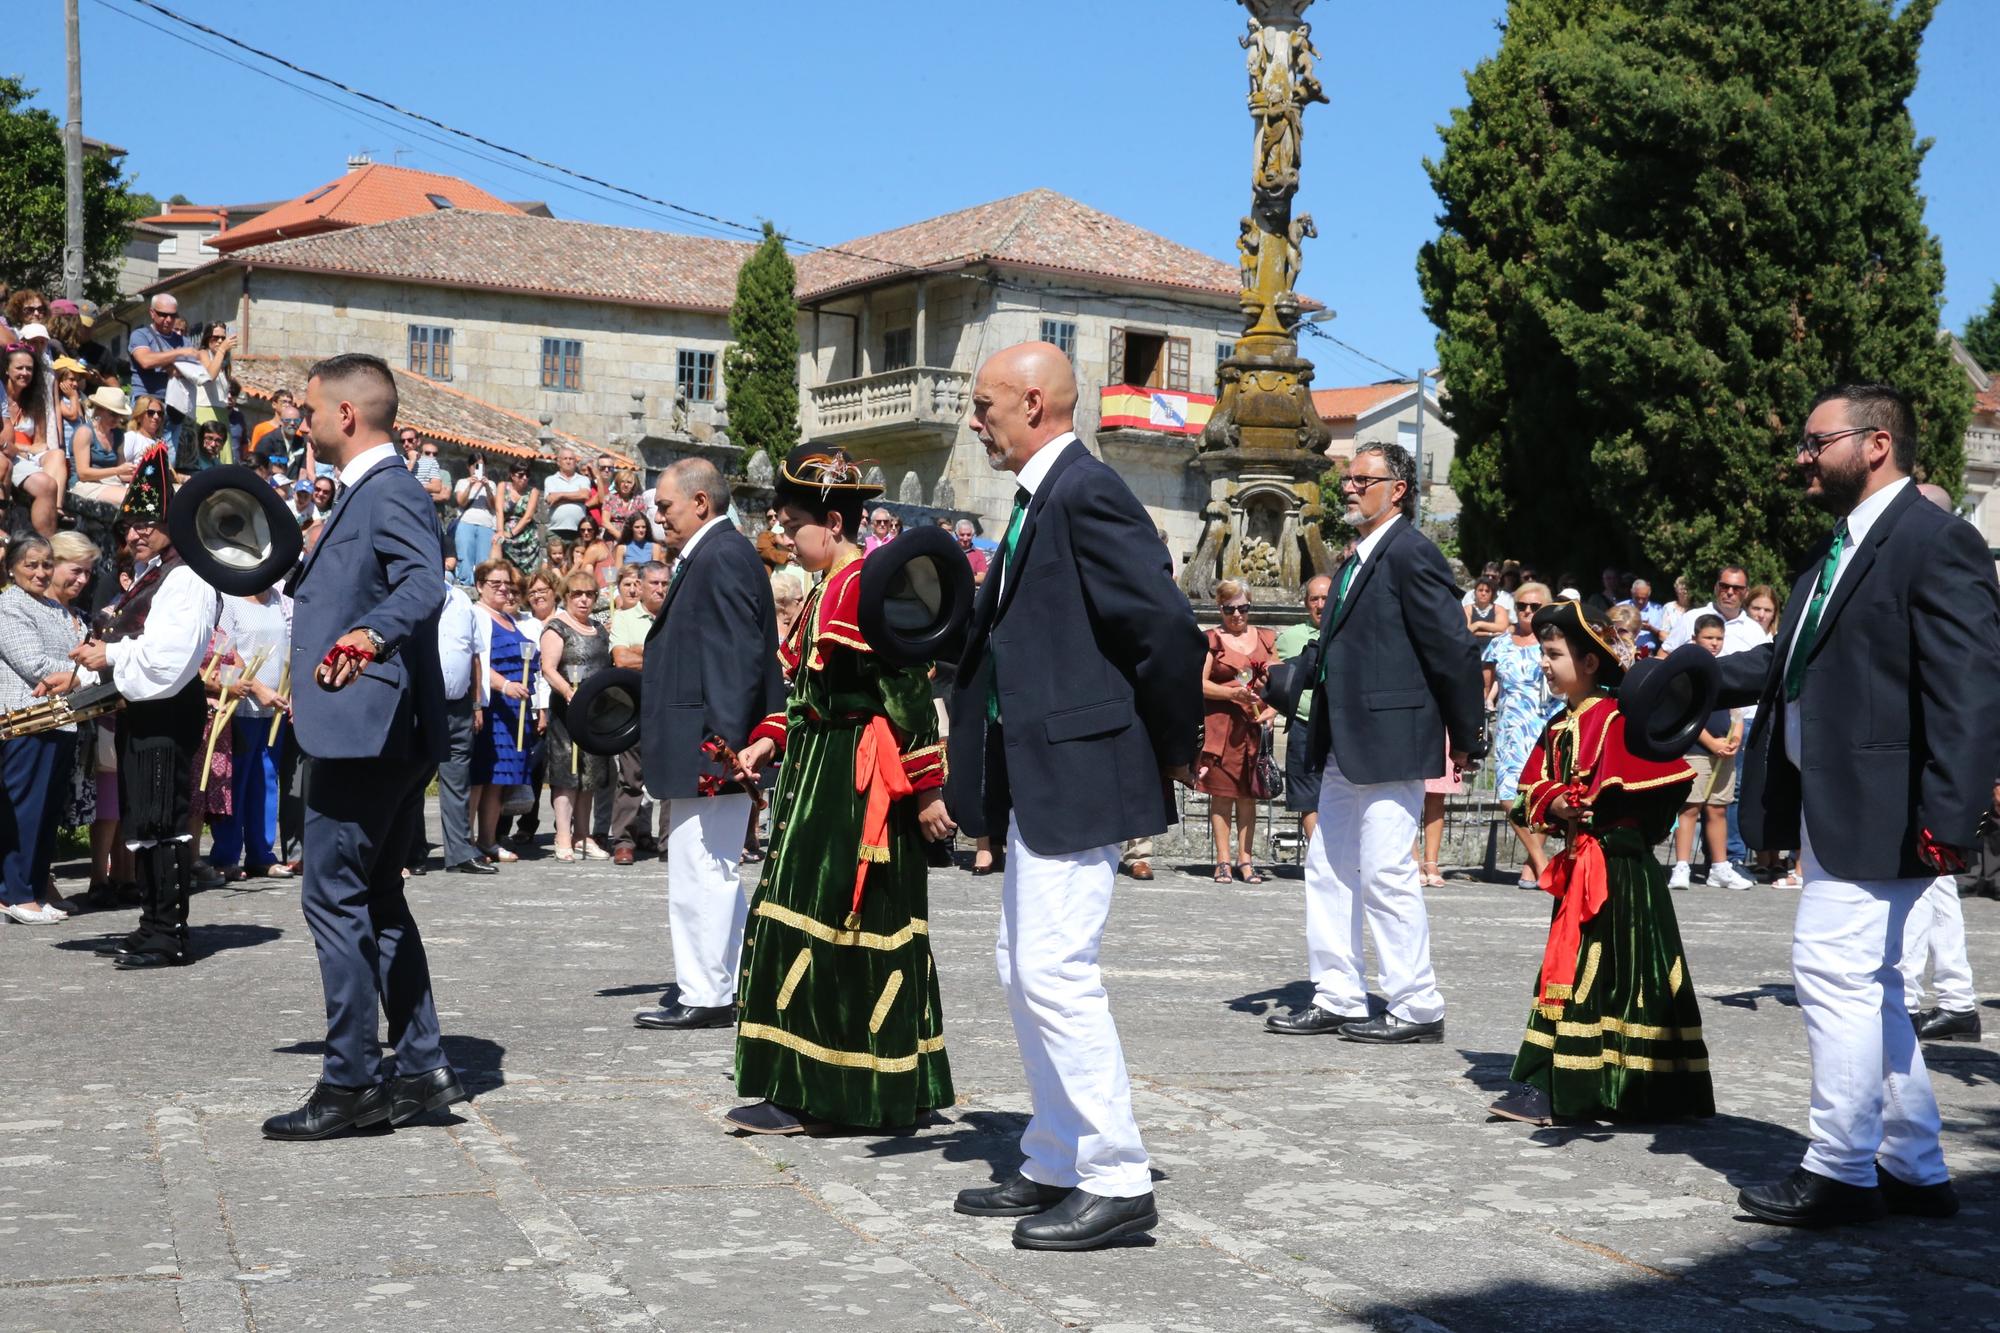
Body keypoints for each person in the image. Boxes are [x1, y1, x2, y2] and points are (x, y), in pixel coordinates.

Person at [939, 341, 1203, 1252]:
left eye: (987, 405)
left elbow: (1165, 625)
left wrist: (1171, 745)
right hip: (1039, 772)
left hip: (1086, 765)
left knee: (1055, 969)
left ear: (1038, 402)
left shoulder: (1087, 490)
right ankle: (1055, 1153)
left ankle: (1118, 1177)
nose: (978, 421)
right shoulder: (1036, 499)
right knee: (1023, 964)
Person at [1720, 383, 2000, 1229]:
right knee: (1870, 986)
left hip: (1884, 806)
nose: (1802, 457)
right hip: (1833, 798)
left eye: (1817, 442)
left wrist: (1951, 819)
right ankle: (1914, 1165)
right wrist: (1682, 678)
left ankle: (1841, 1167)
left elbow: (1968, 690)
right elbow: (1787, 663)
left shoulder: (1934, 540)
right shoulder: (1834, 550)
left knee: (1833, 975)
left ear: (1875, 444)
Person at [721, 446, 954, 1135]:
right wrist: (769, 736)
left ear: (831, 520)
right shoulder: (826, 583)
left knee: (835, 920)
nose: (784, 536)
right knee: (828, 919)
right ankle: (873, 1086)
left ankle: (814, 1092)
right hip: (818, 767)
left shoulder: (859, 585)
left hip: (855, 784)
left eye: (793, 524)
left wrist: (928, 787)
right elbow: (806, 691)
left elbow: (907, 689)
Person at [261, 353, 462, 1142]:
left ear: (346, 416)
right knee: (375, 898)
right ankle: (420, 1068)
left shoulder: (392, 491)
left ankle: (350, 1083)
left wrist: (368, 632)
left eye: (308, 411)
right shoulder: (364, 495)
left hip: (366, 730)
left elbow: (425, 584)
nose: (299, 423)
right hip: (365, 725)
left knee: (333, 897)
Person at [1265, 442, 1483, 1044]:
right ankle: (1338, 993)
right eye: (1349, 478)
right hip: (1342, 739)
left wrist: (1467, 734)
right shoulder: (1355, 558)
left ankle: (1417, 1004)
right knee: (1328, 867)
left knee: (1386, 872)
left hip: (1393, 737)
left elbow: (1454, 648)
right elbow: (1335, 642)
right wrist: (1289, 678)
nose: (1350, 488)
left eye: (1365, 479)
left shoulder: (1413, 554)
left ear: (1399, 489)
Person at [1485, 602, 1711, 1126]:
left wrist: (1606, 805)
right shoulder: (1558, 724)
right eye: (1543, 652)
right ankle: (1555, 1083)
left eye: (1554, 654)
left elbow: (1665, 781)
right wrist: (1559, 802)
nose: (1544, 663)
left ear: (1589, 663)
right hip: (1581, 869)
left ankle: (1624, 1088)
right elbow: (1526, 794)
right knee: (1569, 971)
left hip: (1624, 874)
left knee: (1621, 976)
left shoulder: (1615, 720)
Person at [635, 457, 782, 1030]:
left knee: (702, 871)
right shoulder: (716, 555)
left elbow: (734, 664)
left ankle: (710, 992)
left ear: (700, 502)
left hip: (712, 752)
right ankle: (737, 977)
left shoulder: (720, 556)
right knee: (705, 869)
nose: (658, 516)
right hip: (706, 746)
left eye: (666, 506)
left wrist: (723, 753)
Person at [69, 447, 218, 966]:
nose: (134, 533)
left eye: (147, 523)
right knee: (145, 818)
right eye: (129, 524)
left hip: (166, 706)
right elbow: (132, 643)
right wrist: (88, 666)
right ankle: (153, 921)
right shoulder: (156, 575)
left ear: (172, 525)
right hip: (145, 706)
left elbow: (169, 659)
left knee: (163, 819)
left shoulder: (186, 577)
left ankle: (168, 933)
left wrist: (108, 653)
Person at [0, 536, 86, 923]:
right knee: (23, 810)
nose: (40, 572)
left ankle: (34, 889)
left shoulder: (54, 607)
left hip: (63, 719)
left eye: (47, 564)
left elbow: (80, 652)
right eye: (31, 564)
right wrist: (79, 672)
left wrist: (76, 674)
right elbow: (33, 663)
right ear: (12, 567)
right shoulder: (8, 605)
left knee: (47, 810)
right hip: (24, 718)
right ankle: (12, 894)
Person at [206, 583, 292, 881]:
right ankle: (226, 855)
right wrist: (255, 688)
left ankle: (261, 854)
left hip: (274, 708)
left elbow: (287, 647)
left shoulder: (278, 599)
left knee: (266, 781)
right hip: (239, 709)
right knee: (235, 783)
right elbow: (220, 658)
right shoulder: (229, 601)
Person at [1198, 580, 1277, 883]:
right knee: (1221, 796)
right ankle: (1222, 861)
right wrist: (1231, 695)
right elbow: (1199, 683)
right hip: (1222, 728)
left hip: (1254, 729)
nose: (1236, 615)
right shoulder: (1212, 640)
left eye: (1243, 608)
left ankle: (1246, 860)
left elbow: (1279, 684)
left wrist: (1272, 710)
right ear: (1219, 607)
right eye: (1229, 609)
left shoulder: (1265, 638)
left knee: (1249, 796)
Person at [1666, 615, 1751, 890]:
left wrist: (1735, 734)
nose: (1714, 644)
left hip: (1723, 749)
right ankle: (1682, 866)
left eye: (1718, 639)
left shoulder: (1724, 669)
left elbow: (1736, 709)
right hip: (1696, 748)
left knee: (1718, 808)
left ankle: (1719, 866)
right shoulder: (1689, 671)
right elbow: (1685, 713)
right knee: (1690, 807)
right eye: (1708, 638)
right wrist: (1710, 742)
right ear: (1695, 638)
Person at [470, 561, 541, 862]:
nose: (503, 588)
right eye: (495, 582)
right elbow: (478, 663)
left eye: (507, 583)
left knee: (499, 779)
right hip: (492, 705)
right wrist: (504, 685)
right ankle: (464, 840)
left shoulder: (511, 620)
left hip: (516, 708)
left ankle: (488, 839)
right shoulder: (476, 615)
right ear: (479, 585)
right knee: (478, 778)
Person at [540, 573, 612, 861]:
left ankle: (584, 834)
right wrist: (570, 693)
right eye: (577, 594)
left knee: (591, 774)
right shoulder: (556, 627)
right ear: (566, 595)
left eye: (589, 594)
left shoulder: (599, 629)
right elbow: (548, 668)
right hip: (566, 711)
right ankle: (563, 836)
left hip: (595, 713)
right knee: (566, 772)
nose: (583, 599)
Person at [605, 561, 669, 864]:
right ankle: (624, 841)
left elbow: (682, 661)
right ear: (639, 586)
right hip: (635, 707)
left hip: (671, 708)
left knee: (672, 778)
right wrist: (661, 656)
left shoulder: (677, 618)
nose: (660, 589)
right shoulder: (625, 618)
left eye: (665, 583)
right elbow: (621, 660)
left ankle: (669, 842)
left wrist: (640, 651)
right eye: (654, 583)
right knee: (631, 777)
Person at [1273, 574, 1331, 842]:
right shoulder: (1290, 637)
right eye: (1314, 599)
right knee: (1307, 796)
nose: (1320, 604)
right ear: (1307, 604)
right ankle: (1317, 857)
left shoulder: (1351, 633)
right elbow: (1270, 674)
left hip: (1341, 729)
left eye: (1326, 598)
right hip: (1304, 725)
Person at [4, 343, 66, 536]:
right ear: (6, 370)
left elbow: (40, 443)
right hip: (8, 454)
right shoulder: (2, 398)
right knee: (46, 482)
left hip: (24, 453)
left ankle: (55, 514)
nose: (25, 373)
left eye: (29, 369)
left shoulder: (34, 400)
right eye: (19, 368)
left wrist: (19, 448)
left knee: (56, 455)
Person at [69, 384, 136, 506]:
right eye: (113, 413)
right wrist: (117, 470)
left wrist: (140, 472)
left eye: (119, 414)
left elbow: (122, 474)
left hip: (111, 482)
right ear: (99, 409)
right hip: (85, 485)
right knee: (132, 500)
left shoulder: (118, 435)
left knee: (150, 496)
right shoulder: (85, 432)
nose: (117, 418)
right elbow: (83, 474)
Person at [125, 295, 196, 405]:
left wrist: (173, 367)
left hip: (176, 403)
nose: (168, 319)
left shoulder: (184, 341)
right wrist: (179, 353)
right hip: (146, 401)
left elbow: (195, 371)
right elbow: (146, 361)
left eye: (173, 315)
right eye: (163, 315)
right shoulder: (140, 335)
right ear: (152, 313)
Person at [450, 455, 499, 587]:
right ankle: (465, 583)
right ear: (469, 467)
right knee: (464, 555)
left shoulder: (491, 484)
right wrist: (471, 485)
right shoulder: (462, 482)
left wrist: (487, 487)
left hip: (486, 524)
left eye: (482, 466)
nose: (479, 469)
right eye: (475, 466)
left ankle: (481, 585)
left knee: (484, 559)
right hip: (466, 522)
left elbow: (494, 505)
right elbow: (461, 501)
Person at [543, 446, 594, 541]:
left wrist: (560, 495)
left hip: (578, 531)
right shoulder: (550, 480)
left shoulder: (583, 479)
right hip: (556, 531)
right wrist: (576, 498)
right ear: (558, 462)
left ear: (575, 462)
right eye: (565, 458)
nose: (568, 461)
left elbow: (585, 495)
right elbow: (551, 500)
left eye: (571, 459)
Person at [499, 460, 542, 571]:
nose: (524, 478)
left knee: (528, 573)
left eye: (527, 475)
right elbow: (499, 511)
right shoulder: (503, 486)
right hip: (506, 530)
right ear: (512, 475)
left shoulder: (533, 491)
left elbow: (528, 516)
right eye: (521, 475)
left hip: (526, 535)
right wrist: (500, 531)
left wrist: (512, 533)